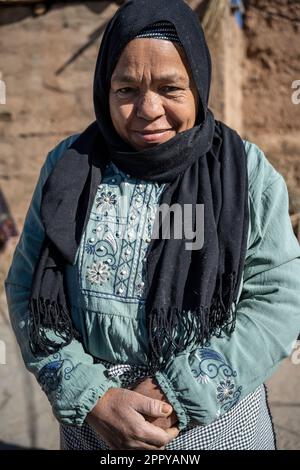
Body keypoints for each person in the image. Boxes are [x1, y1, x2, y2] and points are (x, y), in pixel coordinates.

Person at [5, 0, 300, 450]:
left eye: (170, 88)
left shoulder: (244, 172)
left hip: (214, 427)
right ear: (105, 88)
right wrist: (92, 397)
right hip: (95, 425)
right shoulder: (70, 167)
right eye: (126, 89)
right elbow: (27, 286)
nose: (147, 109)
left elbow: (278, 297)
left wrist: (179, 395)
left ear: (198, 86)